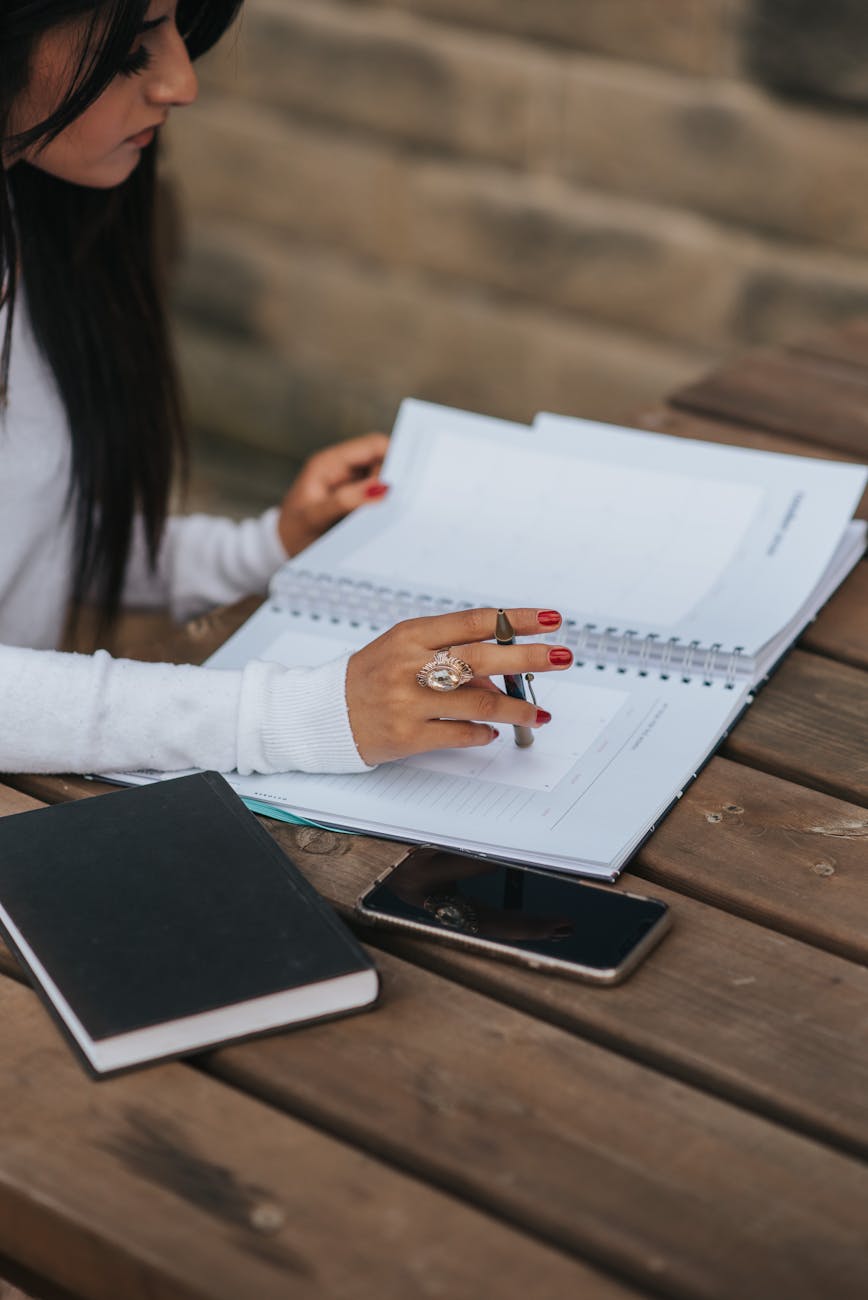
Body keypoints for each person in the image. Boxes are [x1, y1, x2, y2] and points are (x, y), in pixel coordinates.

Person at [0, 0, 574, 778]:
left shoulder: (36, 213)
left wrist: (268, 547)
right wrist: (299, 716)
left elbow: (30, 540)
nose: (182, 82)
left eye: (178, 32)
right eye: (135, 48)